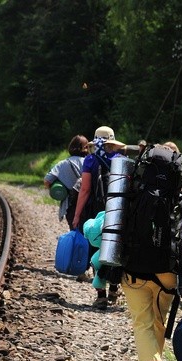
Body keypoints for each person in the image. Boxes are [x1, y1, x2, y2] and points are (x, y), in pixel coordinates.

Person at [121, 142, 182, 361]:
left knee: (142, 322)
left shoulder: (133, 193)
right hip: (166, 272)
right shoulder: (177, 202)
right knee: (158, 320)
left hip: (133, 269)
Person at [72, 126, 127, 309]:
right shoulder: (121, 159)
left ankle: (101, 295)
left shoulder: (90, 160)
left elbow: (85, 189)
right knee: (117, 246)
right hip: (119, 211)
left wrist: (77, 215)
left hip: (97, 211)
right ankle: (114, 287)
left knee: (98, 249)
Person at [44, 135, 91, 281]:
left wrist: (60, 185)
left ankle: (81, 268)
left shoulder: (63, 164)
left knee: (77, 234)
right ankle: (93, 269)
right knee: (92, 235)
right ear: (86, 148)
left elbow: (47, 181)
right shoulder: (91, 162)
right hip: (91, 204)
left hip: (72, 205)